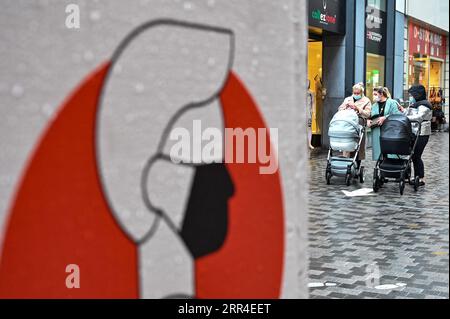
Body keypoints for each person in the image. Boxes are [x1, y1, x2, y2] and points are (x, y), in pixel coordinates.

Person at [398, 84, 432, 187]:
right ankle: (414, 176)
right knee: (412, 155)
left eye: (412, 95)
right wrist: (403, 111)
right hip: (413, 132)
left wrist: (405, 118)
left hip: (422, 133)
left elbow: (419, 117)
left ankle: (420, 178)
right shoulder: (416, 104)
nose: (411, 97)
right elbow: (410, 114)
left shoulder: (425, 105)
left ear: (417, 94)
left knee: (416, 155)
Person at [338, 82, 371, 166]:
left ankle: (357, 166)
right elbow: (339, 109)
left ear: (361, 93)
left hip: (359, 125)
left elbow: (367, 114)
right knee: (347, 145)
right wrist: (345, 106)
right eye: (354, 93)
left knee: (358, 147)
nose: (356, 94)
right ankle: (346, 164)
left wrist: (357, 108)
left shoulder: (366, 101)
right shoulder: (348, 99)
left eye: (357, 93)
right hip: (348, 125)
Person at [367, 86, 401, 161]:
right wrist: (368, 120)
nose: (374, 96)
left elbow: (396, 115)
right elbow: (371, 116)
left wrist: (385, 117)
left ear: (381, 94)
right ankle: (381, 166)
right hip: (377, 131)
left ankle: (391, 167)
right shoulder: (374, 105)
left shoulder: (392, 102)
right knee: (379, 153)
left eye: (375, 94)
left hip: (389, 131)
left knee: (390, 153)